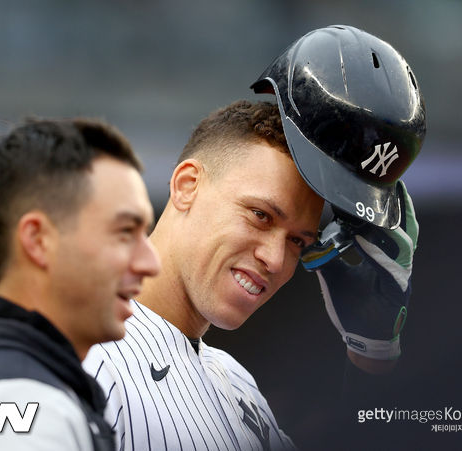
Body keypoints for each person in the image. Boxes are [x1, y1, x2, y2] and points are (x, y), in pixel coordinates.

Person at [83, 25, 425, 450]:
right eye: (261, 216)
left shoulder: (238, 389)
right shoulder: (73, 357)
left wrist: (371, 358)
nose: (277, 260)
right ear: (187, 185)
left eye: (299, 241)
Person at [0, 117, 160, 450]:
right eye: (125, 232)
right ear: (38, 240)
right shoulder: (24, 406)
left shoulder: (6, 390)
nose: (150, 263)